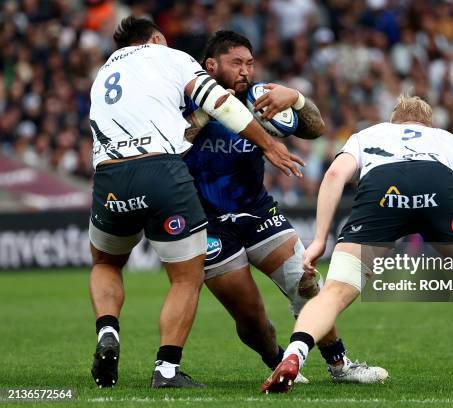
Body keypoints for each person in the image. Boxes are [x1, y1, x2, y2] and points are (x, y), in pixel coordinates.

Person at [88, 17, 303, 389]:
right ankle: (166, 369)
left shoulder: (104, 73)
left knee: (106, 261)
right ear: (156, 38)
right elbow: (222, 102)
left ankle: (108, 330)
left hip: (109, 175)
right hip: (161, 170)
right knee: (186, 278)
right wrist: (269, 145)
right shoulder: (170, 57)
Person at [262, 95, 453, 393]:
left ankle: (294, 355)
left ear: (394, 119)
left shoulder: (369, 134)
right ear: (429, 122)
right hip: (437, 187)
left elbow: (334, 175)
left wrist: (320, 239)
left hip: (382, 190)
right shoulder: (450, 141)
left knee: (334, 292)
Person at [182, 31, 388, 383]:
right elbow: (171, 143)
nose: (246, 71)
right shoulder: (184, 99)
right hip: (208, 223)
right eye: (236, 63)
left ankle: (340, 365)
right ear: (211, 65)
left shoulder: (262, 97)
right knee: (251, 318)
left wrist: (296, 97)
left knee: (306, 283)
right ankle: (276, 358)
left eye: (249, 63)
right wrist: (205, 115)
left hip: (258, 212)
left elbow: (316, 128)